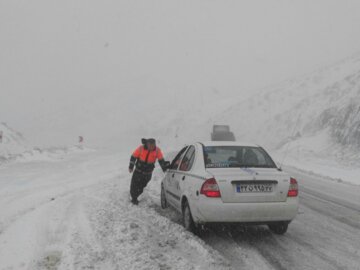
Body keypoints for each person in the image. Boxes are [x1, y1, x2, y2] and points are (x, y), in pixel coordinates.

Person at [128, 138, 168, 205]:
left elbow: (161, 160)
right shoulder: (141, 148)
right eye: (150, 146)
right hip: (138, 171)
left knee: (142, 186)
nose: (152, 147)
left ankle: (137, 195)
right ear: (147, 144)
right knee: (134, 185)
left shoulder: (157, 150)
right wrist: (131, 167)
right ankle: (134, 198)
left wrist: (165, 169)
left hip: (148, 173)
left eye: (153, 146)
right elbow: (133, 156)